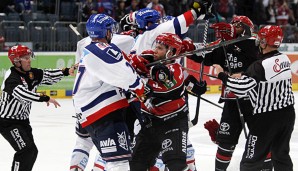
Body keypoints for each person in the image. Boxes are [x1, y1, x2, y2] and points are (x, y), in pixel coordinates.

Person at [186, 15, 274, 171]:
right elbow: (203, 55)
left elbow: (256, 54)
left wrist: (235, 41)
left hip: (256, 101)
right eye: (232, 25)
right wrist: (187, 48)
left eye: (237, 25)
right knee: (226, 142)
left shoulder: (255, 43)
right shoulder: (223, 45)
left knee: (261, 140)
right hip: (231, 101)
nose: (233, 27)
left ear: (246, 29)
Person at [213, 25, 295, 171]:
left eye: (260, 39)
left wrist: (221, 75)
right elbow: (262, 79)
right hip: (287, 115)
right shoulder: (285, 59)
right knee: (281, 156)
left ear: (264, 42)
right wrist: (244, 75)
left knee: (250, 162)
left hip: (266, 119)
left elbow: (241, 88)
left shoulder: (259, 66)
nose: (258, 41)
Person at [72, 13, 147, 171]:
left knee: (86, 145)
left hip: (88, 111)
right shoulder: (101, 48)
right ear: (105, 32)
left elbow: (115, 68)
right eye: (110, 30)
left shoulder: (90, 48)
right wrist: (140, 86)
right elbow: (125, 75)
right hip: (102, 113)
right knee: (118, 163)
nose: (112, 32)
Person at [129, 32, 207, 171]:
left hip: (172, 123)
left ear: (170, 52)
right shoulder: (149, 59)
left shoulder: (176, 69)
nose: (155, 50)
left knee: (176, 164)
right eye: (156, 46)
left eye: (160, 48)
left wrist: (197, 87)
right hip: (150, 124)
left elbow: (169, 89)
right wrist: (138, 63)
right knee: (136, 165)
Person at [0, 44, 76, 171]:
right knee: (26, 150)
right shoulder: (11, 78)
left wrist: (67, 71)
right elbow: (23, 94)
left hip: (23, 121)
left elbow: (48, 74)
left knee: (32, 152)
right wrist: (45, 98)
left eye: (29, 56)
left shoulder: (31, 74)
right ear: (16, 61)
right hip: (8, 122)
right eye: (25, 57)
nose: (29, 59)